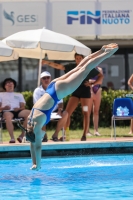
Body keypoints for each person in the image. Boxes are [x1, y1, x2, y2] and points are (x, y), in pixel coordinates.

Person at [18, 43, 118, 170]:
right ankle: (102, 50)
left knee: (84, 70)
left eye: (40, 137)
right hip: (52, 87)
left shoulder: (37, 126)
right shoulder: (30, 124)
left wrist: (39, 165)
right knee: (79, 67)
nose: (42, 137)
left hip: (58, 92)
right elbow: (32, 145)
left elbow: (37, 146)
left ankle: (107, 53)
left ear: (37, 134)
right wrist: (34, 163)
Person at [64, 54, 103, 141]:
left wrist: (92, 84)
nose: (78, 60)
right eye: (77, 58)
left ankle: (84, 134)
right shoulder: (73, 68)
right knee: (67, 113)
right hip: (75, 93)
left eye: (80, 58)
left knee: (85, 113)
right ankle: (66, 134)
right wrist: (47, 62)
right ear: (75, 60)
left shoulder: (88, 68)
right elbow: (60, 67)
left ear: (83, 59)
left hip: (85, 94)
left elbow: (101, 76)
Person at [33, 71, 68, 142]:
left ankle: (55, 135)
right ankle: (44, 136)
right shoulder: (37, 91)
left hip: (54, 111)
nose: (46, 80)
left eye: (48, 78)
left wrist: (60, 109)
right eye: (44, 78)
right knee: (41, 115)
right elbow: (36, 104)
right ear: (41, 80)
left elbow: (60, 102)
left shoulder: (56, 89)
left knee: (65, 114)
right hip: (42, 110)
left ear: (50, 79)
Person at [0, 78, 30, 143]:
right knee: (8, 116)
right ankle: (12, 138)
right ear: (5, 86)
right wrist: (4, 108)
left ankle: (22, 136)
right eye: (7, 83)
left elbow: (22, 107)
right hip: (6, 111)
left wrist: (18, 109)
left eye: (11, 83)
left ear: (14, 85)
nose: (9, 84)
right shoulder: (1, 94)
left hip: (17, 110)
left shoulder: (19, 95)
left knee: (30, 114)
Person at [85, 67, 104, 136]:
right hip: (89, 90)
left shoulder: (99, 69)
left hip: (98, 90)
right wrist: (94, 82)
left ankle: (96, 131)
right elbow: (86, 81)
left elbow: (100, 81)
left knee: (96, 111)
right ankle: (87, 131)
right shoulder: (88, 68)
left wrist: (92, 82)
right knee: (88, 112)